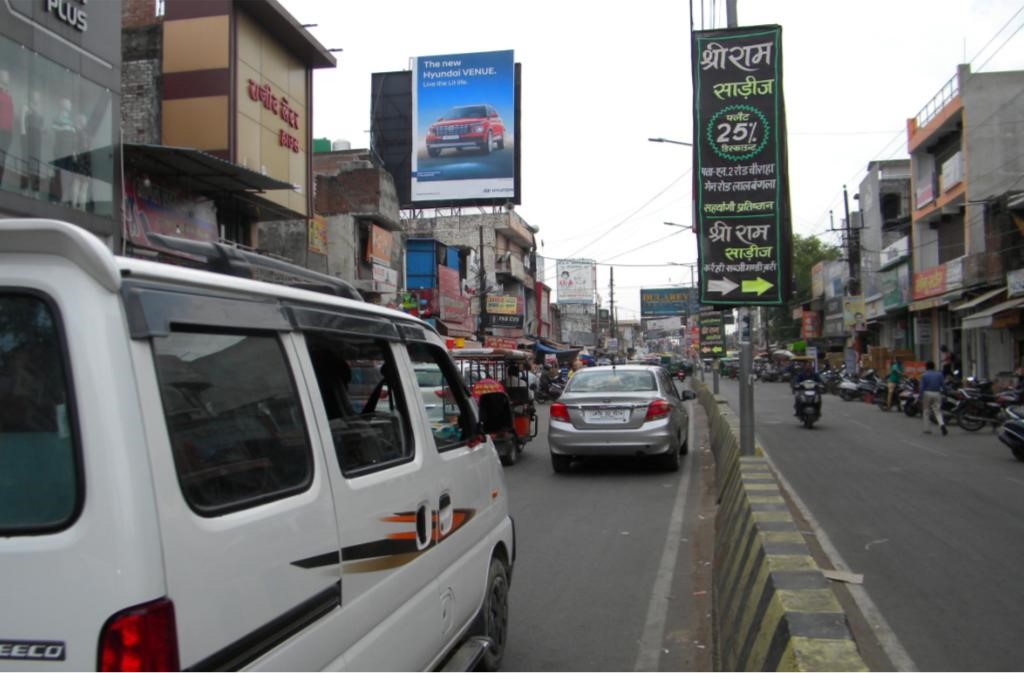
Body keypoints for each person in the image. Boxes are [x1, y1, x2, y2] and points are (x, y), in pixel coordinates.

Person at [920, 360, 947, 436]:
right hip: (937, 393)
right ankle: (942, 424)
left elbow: (922, 387)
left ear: (926, 367)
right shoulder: (939, 374)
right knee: (937, 411)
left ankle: (927, 429)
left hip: (927, 393)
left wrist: (920, 396)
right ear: (934, 367)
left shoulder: (924, 375)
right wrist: (946, 392)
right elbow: (943, 385)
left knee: (926, 411)